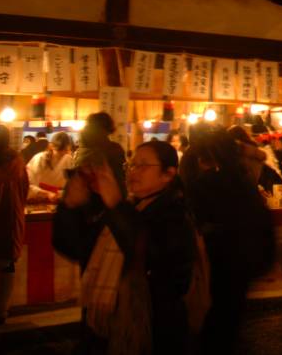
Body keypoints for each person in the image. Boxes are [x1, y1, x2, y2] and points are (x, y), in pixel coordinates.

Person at [53, 140, 196, 353]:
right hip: (104, 325)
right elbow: (75, 249)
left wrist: (116, 206)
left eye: (143, 165)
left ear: (168, 174)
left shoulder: (176, 216)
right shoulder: (126, 208)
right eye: (131, 164)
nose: (133, 171)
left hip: (152, 328)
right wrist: (69, 207)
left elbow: (151, 255)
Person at [180, 128, 274, 354]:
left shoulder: (203, 183)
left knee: (211, 324)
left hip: (215, 263)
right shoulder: (243, 181)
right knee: (229, 321)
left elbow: (192, 220)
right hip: (242, 264)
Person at [0, 125, 28, 325]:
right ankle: (0, 310)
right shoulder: (18, 163)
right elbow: (25, 189)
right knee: (7, 265)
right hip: (11, 219)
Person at [74, 112, 127, 198]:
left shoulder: (81, 149)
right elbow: (120, 177)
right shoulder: (113, 149)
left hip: (81, 197)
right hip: (107, 197)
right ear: (106, 129)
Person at [26, 131, 74, 202]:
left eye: (66, 151)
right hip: (38, 199)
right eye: (60, 151)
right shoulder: (39, 158)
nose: (63, 153)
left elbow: (72, 183)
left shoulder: (68, 159)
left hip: (57, 199)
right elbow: (27, 183)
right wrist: (46, 193)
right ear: (52, 147)